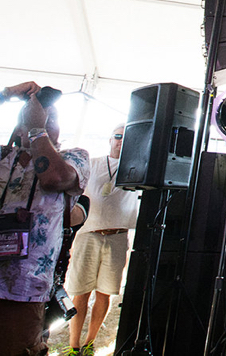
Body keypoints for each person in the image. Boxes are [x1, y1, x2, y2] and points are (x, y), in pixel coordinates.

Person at [0, 82, 90, 356]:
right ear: (19, 127)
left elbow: (53, 179)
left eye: (53, 120)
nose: (48, 123)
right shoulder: (4, 157)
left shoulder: (74, 157)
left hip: (25, 289)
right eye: (39, 118)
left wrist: (37, 130)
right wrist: (5, 95)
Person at [64, 125, 139, 356]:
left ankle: (89, 342)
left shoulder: (137, 169)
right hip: (88, 234)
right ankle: (74, 346)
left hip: (117, 237)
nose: (121, 141)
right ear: (110, 139)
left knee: (104, 293)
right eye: (118, 136)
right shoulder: (93, 163)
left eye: (126, 138)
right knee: (80, 293)